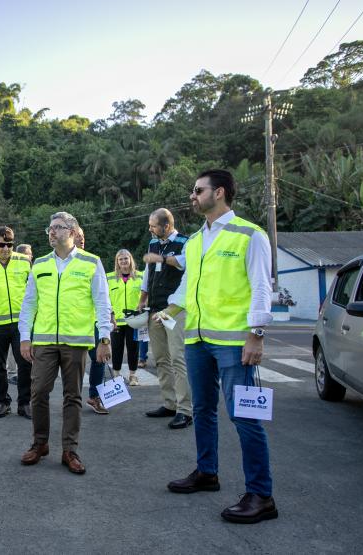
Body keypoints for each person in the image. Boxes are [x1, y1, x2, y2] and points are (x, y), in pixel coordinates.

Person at [162, 169, 276, 524]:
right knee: (204, 411)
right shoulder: (195, 241)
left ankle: (261, 494)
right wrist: (168, 310)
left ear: (220, 193)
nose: (192, 196)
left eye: (198, 190)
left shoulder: (249, 234)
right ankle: (207, 473)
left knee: (245, 415)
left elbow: (261, 286)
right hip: (197, 338)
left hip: (234, 342)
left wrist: (256, 333)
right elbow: (188, 287)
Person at [18, 212, 112, 474]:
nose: (51, 232)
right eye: (49, 228)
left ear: (72, 232)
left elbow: (102, 302)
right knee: (38, 393)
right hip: (45, 341)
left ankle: (69, 450)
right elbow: (29, 304)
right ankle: (39, 444)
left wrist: (104, 338)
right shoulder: (40, 264)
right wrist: (25, 337)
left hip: (76, 342)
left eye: (57, 227)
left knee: (73, 397)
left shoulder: (91, 262)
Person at [137, 208, 192, 430]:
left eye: (153, 226)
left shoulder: (185, 241)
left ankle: (185, 409)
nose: (150, 229)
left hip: (174, 309)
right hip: (154, 307)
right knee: (160, 358)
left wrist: (161, 258)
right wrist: (142, 299)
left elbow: (184, 263)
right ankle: (169, 403)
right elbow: (148, 272)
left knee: (178, 358)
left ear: (166, 225)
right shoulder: (153, 243)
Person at [0, 226, 32, 419]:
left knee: (25, 364)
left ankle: (24, 404)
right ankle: (3, 402)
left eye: (9, 244)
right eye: (2, 244)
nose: (6, 248)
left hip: (20, 324)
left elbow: (32, 293)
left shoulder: (24, 261)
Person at [75, 227, 108, 415]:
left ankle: (94, 396)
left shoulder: (92, 262)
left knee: (99, 359)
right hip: (73, 326)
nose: (82, 240)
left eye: (83, 237)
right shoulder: (62, 263)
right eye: (78, 237)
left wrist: (108, 317)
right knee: (73, 364)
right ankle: (71, 399)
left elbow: (103, 295)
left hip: (93, 323)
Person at [107, 249, 142, 386]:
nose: (123, 261)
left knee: (133, 348)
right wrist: (111, 315)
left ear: (130, 260)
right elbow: (106, 298)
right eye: (120, 259)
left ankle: (133, 375)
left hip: (134, 320)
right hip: (116, 321)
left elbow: (146, 295)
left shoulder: (140, 276)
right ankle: (116, 375)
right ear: (117, 262)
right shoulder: (109, 277)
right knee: (116, 348)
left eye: (126, 258)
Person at [8, 244, 34, 386]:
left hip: (26, 315)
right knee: (16, 348)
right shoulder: (15, 269)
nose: (31, 256)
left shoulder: (30, 268)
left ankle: (21, 373)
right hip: (14, 316)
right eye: (28, 254)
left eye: (31, 254)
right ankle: (13, 372)